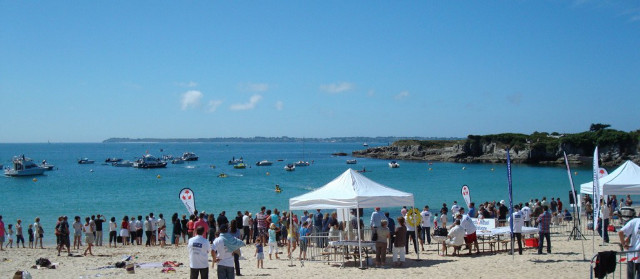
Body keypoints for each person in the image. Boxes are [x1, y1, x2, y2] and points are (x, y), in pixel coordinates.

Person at [618, 213, 640, 279]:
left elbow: (620, 232)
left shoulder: (635, 221)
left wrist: (623, 244)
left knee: (630, 276)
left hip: (632, 253)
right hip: (633, 253)